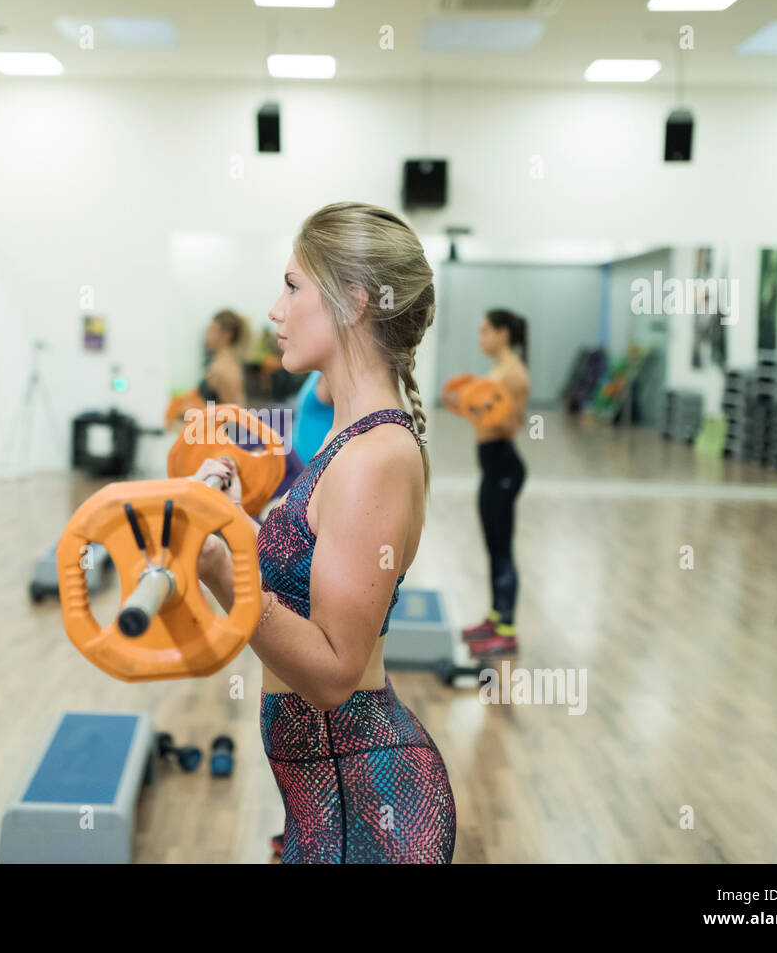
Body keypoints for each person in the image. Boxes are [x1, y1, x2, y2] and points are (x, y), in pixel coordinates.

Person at [191, 202, 456, 864]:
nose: (274, 310)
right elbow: (307, 570)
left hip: (370, 810)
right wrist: (235, 519)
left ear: (354, 301)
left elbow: (336, 670)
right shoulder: (349, 436)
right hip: (327, 803)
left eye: (291, 285)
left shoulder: (375, 455)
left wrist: (226, 570)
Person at [458, 310, 530, 657]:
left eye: (486, 330)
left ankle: (507, 629)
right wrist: (469, 404)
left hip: (504, 466)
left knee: (502, 548)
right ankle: (494, 616)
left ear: (503, 334)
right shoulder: (499, 371)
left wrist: (477, 404)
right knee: (492, 544)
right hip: (491, 467)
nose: (481, 337)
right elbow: (485, 414)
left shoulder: (514, 374)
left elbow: (510, 426)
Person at [198, 309, 249, 406]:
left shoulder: (226, 368)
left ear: (227, 335)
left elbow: (236, 411)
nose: (207, 335)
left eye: (212, 330)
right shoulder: (217, 363)